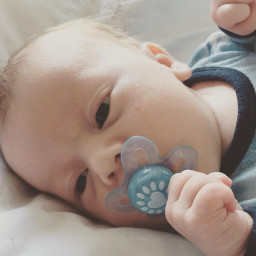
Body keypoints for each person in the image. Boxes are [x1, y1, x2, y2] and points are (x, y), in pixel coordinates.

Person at [0, 0, 255, 255]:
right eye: (80, 181)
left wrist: (244, 18)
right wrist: (238, 243)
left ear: (163, 62)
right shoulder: (230, 214)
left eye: (102, 112)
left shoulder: (227, 51)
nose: (103, 164)